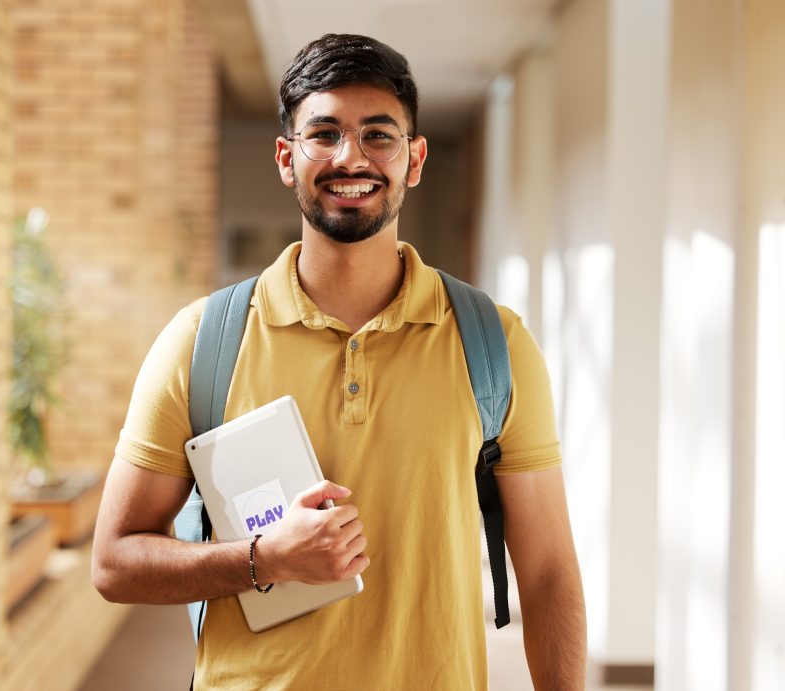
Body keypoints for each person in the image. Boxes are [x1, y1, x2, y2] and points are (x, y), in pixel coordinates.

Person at [92, 33, 586, 690]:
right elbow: (114, 560)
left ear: (414, 160)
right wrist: (265, 557)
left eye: (378, 136)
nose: (350, 157)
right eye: (323, 134)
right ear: (285, 158)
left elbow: (548, 571)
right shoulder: (199, 342)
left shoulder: (494, 343)